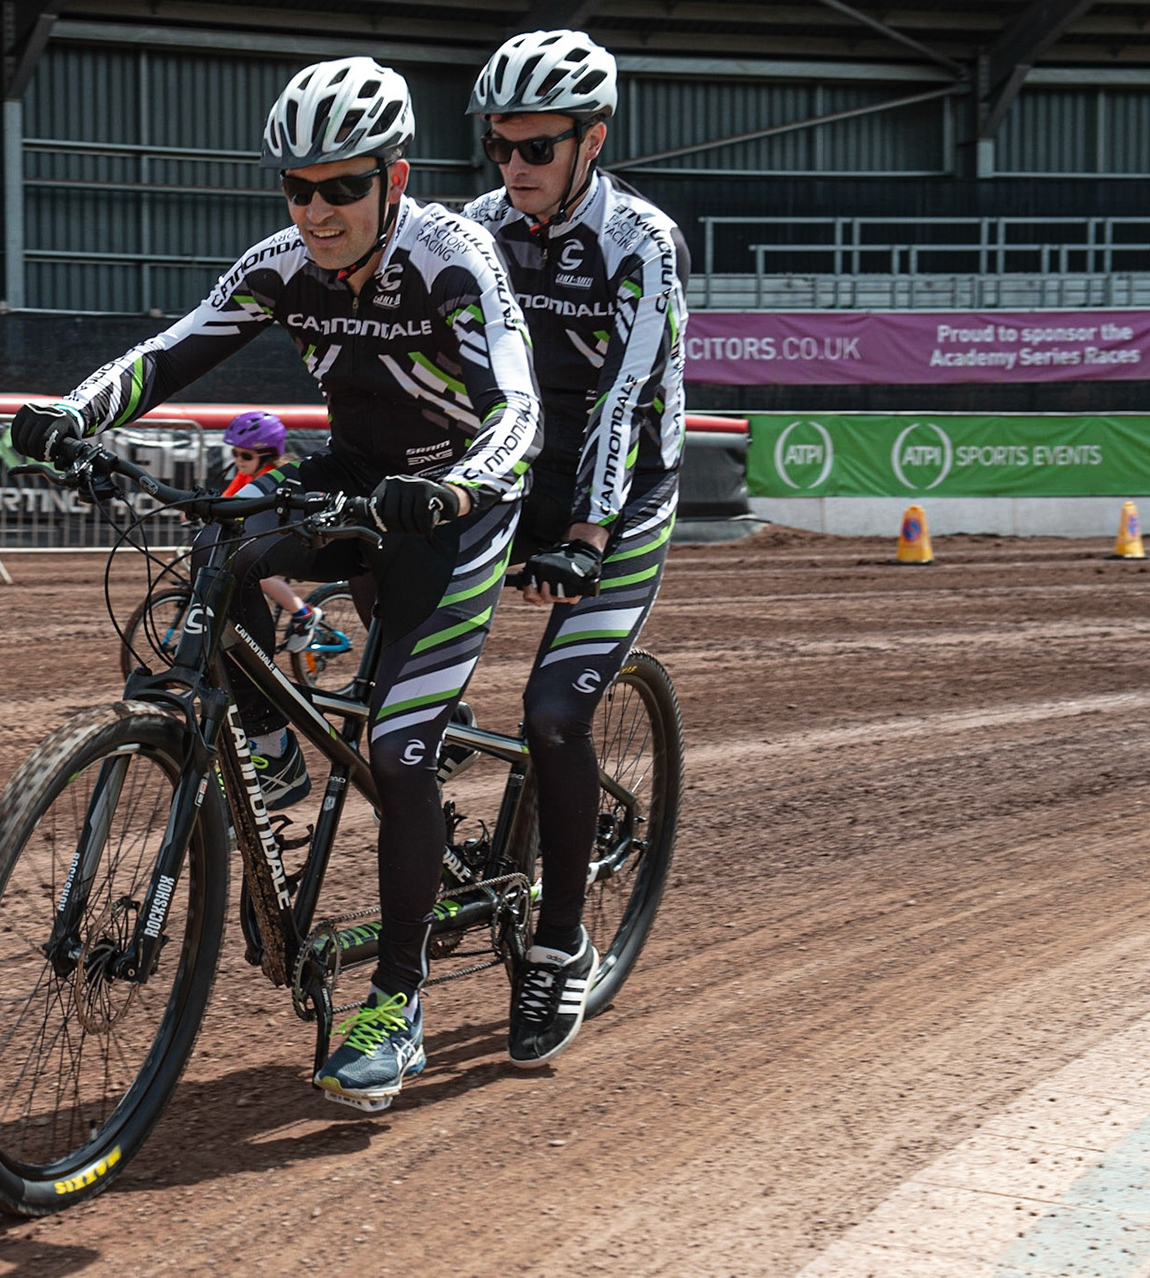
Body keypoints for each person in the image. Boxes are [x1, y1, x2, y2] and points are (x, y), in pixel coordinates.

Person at [11, 56, 541, 1110]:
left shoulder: (452, 257)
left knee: (397, 751)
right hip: (355, 478)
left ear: (394, 178)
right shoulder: (282, 264)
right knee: (227, 548)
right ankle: (270, 754)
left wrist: (456, 489)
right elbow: (169, 354)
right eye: (298, 188)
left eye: (340, 186)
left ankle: (397, 1007)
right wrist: (74, 414)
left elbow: (518, 410)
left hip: (454, 505)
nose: (316, 210)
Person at [463, 30, 689, 1066]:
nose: (514, 166)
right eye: (499, 145)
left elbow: (624, 397)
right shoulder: (479, 226)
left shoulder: (643, 241)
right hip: (521, 465)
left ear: (591, 142)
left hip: (623, 488)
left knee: (554, 717)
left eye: (538, 148)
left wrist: (588, 538)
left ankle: (560, 941)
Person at [220, 409, 320, 652]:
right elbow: (227, 501)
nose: (238, 461)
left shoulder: (275, 477)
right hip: (262, 539)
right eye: (235, 453)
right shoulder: (245, 475)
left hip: (292, 540)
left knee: (260, 576)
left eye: (245, 455)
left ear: (268, 456)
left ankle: (304, 614)